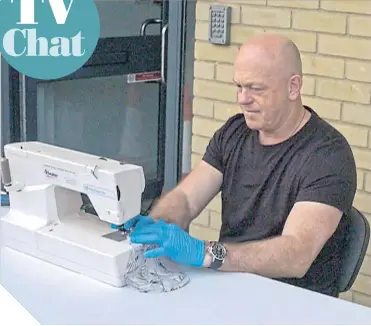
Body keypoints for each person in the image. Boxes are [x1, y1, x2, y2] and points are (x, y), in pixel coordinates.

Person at [124, 33, 357, 297]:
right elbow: (187, 199)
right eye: (239, 87)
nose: (243, 99)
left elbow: (297, 254)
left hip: (294, 302)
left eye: (256, 89)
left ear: (293, 87)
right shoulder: (234, 132)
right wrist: (154, 225)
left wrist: (206, 253)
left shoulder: (328, 155)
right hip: (230, 287)